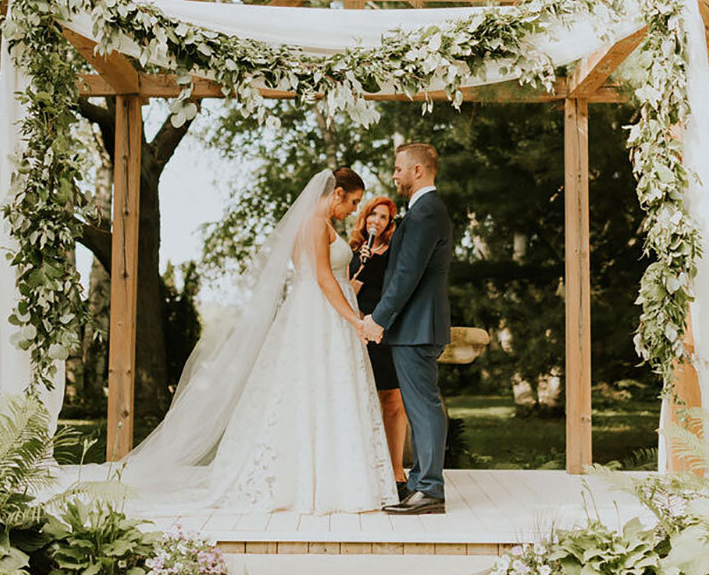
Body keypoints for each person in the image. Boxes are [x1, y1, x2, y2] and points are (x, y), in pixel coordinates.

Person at [71, 168, 396, 516]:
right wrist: (356, 321)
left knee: (312, 391)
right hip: (324, 316)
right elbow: (321, 279)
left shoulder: (316, 225)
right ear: (336, 195)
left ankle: (317, 476)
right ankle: (319, 482)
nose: (353, 210)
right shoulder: (316, 225)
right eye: (354, 202)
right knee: (318, 390)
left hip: (314, 315)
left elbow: (319, 277)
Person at [363, 144, 453, 515]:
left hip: (417, 328)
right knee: (420, 406)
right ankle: (420, 483)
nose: (395, 175)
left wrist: (378, 319)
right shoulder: (422, 211)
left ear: (418, 170)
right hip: (415, 327)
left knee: (423, 406)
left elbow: (406, 275)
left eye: (399, 168)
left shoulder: (427, 211)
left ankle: (429, 488)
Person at [348, 196, 407, 498]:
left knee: (393, 400)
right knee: (361, 399)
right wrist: (362, 263)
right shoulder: (354, 250)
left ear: (389, 223)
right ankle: (365, 469)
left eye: (383, 217)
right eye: (373, 215)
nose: (377, 221)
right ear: (365, 218)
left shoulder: (397, 251)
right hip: (361, 329)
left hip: (389, 331)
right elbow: (348, 292)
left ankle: (397, 470)